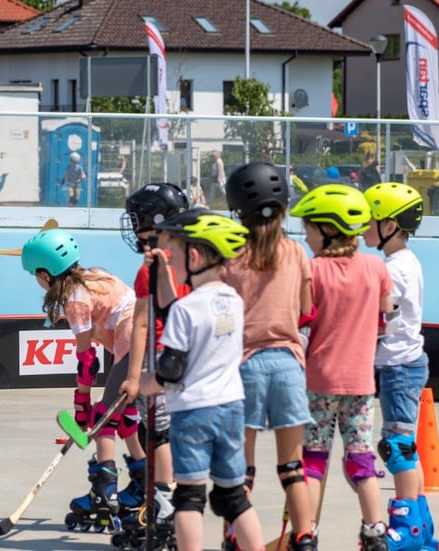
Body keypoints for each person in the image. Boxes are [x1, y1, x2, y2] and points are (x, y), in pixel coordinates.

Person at [139, 209, 265, 551]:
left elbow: (170, 370)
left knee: (190, 498)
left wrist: (144, 383)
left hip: (194, 412)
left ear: (193, 256)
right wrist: (162, 272)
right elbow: (174, 308)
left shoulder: (187, 309)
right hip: (231, 407)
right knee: (234, 497)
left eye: (174, 255)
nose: (172, 262)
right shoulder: (232, 301)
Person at [289, 184, 394, 550]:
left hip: (318, 379)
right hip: (361, 382)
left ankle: (306, 531)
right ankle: (375, 529)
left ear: (328, 229)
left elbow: (301, 321)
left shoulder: (312, 270)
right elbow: (389, 315)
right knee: (361, 457)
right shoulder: (376, 266)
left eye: (309, 229)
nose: (306, 236)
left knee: (313, 459)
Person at [20, 228, 144, 531]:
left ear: (45, 273)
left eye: (35, 275)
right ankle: (143, 484)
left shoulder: (75, 301)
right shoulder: (96, 277)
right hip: (148, 337)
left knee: (104, 417)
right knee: (125, 415)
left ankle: (104, 493)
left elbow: (87, 360)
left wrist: (82, 406)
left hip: (134, 339)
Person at [222, 162, 316, 551]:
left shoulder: (231, 255)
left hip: (244, 367)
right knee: (293, 468)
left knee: (240, 472)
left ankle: (236, 539)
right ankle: (306, 538)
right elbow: (307, 310)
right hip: (289, 365)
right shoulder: (296, 251)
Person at [363, 183, 438, 551]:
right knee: (405, 447)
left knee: (397, 448)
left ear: (390, 225)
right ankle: (420, 524)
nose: (363, 229)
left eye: (370, 221)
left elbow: (384, 317)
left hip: (400, 368)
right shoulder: (404, 262)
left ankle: (406, 527)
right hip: (402, 365)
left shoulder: (395, 269)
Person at [116, 182, 191, 544]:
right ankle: (177, 498)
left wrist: (133, 377)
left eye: (138, 220)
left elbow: (141, 323)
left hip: (161, 360)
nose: (134, 229)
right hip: (196, 361)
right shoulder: (196, 258)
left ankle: (164, 501)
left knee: (158, 433)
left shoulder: (150, 269)